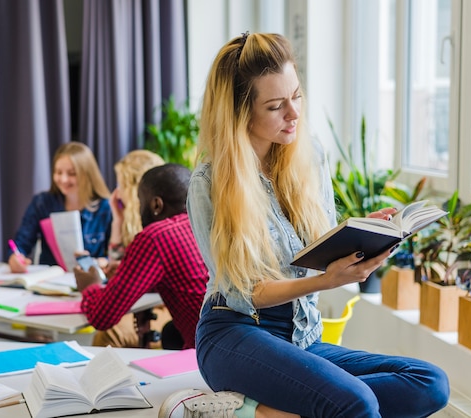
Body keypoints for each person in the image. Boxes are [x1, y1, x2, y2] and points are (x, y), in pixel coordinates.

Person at [159, 33, 450, 418]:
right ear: (240, 113)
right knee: (356, 402)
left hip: (302, 338)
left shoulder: (310, 157)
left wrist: (367, 234)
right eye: (276, 106)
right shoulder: (209, 183)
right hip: (236, 333)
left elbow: (320, 245)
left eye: (296, 96)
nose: (293, 113)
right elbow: (246, 294)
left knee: (429, 383)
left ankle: (266, 411)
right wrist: (326, 281)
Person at [74, 163, 207, 350]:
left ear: (156, 205)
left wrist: (90, 286)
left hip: (206, 350)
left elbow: (101, 317)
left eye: (140, 201)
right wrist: (125, 272)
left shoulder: (157, 236)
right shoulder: (208, 223)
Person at [91, 149, 167, 348]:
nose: (116, 193)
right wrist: (117, 222)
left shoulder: (154, 229)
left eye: (120, 185)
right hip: (140, 304)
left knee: (108, 332)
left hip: (163, 309)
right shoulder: (129, 223)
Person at [8, 141, 112, 273]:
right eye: (58, 172)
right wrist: (15, 257)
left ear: (87, 175)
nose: (63, 179)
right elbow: (21, 242)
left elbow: (116, 254)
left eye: (72, 173)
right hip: (50, 281)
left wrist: (103, 261)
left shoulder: (105, 207)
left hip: (89, 280)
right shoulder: (42, 202)